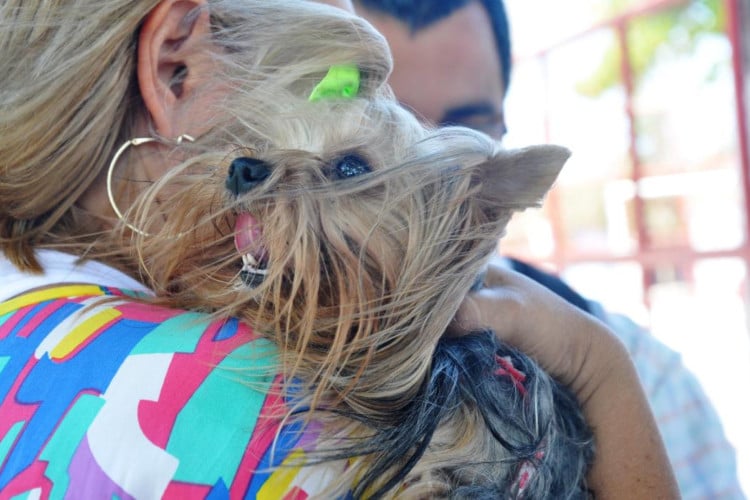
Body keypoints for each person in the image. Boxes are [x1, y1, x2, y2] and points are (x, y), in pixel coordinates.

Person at [0, 0, 678, 497]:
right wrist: (598, 368)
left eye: (348, 170)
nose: (253, 173)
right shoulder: (265, 408)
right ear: (175, 64)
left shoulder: (28, 324)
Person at [355, 0, 744, 498]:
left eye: (468, 133)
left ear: (508, 143)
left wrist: (601, 375)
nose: (430, 185)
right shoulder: (242, 356)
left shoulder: (651, 385)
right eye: (384, 131)